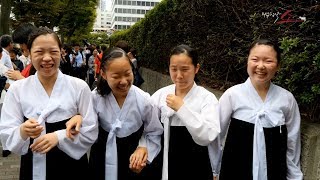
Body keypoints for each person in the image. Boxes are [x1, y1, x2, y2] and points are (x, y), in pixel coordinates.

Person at [0, 27, 98, 180]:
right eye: (39, 52)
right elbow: (6, 132)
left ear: (61, 52)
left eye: (53, 51)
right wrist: (23, 131)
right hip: (33, 166)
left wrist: (58, 137)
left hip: (72, 167)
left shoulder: (79, 87)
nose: (47, 58)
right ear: (28, 53)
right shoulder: (17, 90)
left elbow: (91, 129)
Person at [213, 39, 303, 180]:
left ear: (278, 66)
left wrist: (294, 176)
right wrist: (214, 170)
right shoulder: (232, 95)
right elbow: (216, 135)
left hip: (275, 171)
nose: (260, 66)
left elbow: (293, 142)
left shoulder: (287, 99)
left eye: (268, 61)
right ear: (247, 61)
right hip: (234, 170)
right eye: (255, 59)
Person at [87, 47, 163, 180]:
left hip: (133, 160)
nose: (123, 81)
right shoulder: (95, 98)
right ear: (104, 75)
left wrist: (144, 148)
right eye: (116, 76)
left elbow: (154, 132)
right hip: (101, 158)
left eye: (127, 73)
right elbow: (86, 129)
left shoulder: (144, 99)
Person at [151, 44, 220, 180]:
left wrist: (182, 108)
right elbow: (149, 128)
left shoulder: (207, 98)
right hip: (163, 161)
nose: (179, 75)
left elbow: (208, 135)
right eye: (174, 69)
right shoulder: (160, 95)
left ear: (196, 68)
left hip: (194, 164)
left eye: (184, 69)